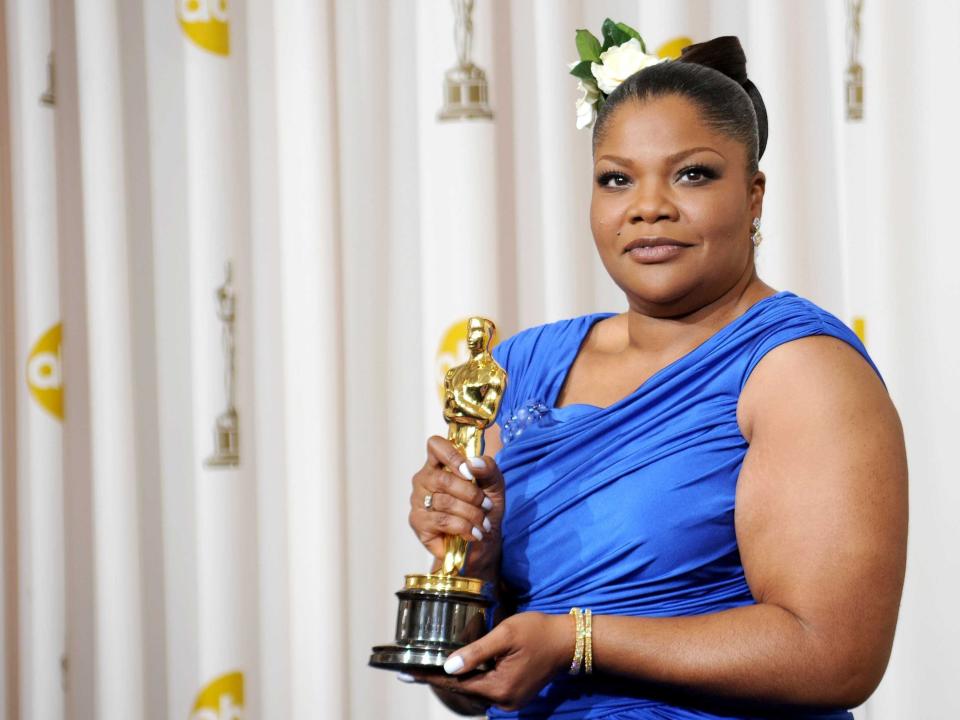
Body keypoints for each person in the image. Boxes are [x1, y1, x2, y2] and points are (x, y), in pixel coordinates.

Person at [405, 35, 907, 719]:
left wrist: (576, 640)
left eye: (692, 174)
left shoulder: (800, 371)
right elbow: (467, 684)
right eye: (617, 178)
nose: (648, 206)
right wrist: (472, 565)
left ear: (754, 196)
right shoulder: (519, 364)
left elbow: (833, 656)